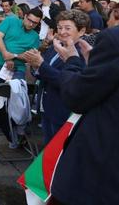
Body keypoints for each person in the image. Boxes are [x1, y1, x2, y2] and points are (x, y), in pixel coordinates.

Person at [48, 26, 119, 204]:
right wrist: (94, 67)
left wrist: (72, 61)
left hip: (99, 172)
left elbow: (77, 96)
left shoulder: (113, 40)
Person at [22, 10, 89, 144]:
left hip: (63, 111)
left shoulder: (83, 53)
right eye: (59, 27)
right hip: (46, 107)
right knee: (48, 150)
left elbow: (68, 81)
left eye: (67, 28)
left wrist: (40, 64)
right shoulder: (55, 47)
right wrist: (35, 65)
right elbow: (43, 71)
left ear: (81, 31)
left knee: (59, 151)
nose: (62, 32)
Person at [0, 8, 43, 97]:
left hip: (18, 68)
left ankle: (10, 110)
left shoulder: (35, 37)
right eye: (29, 20)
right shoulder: (10, 20)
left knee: (16, 97)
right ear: (25, 16)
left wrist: (13, 56)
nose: (31, 24)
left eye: (35, 23)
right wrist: (5, 54)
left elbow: (29, 57)